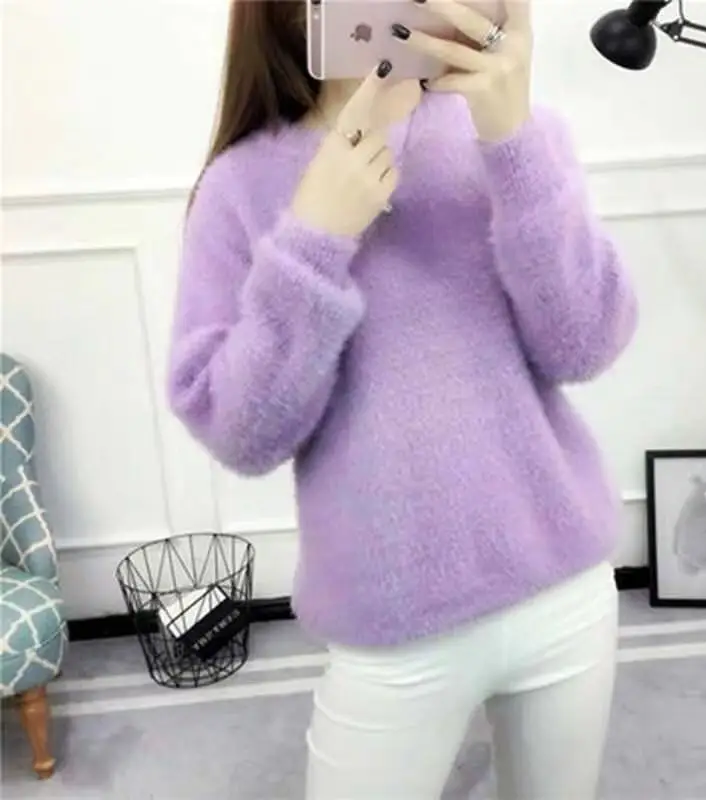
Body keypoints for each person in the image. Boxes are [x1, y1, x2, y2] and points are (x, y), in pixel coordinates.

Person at [167, 0, 638, 797]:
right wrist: (314, 235)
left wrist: (516, 143)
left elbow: (585, 344)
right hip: (391, 625)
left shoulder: (518, 132)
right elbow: (242, 434)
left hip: (563, 589)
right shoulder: (240, 186)